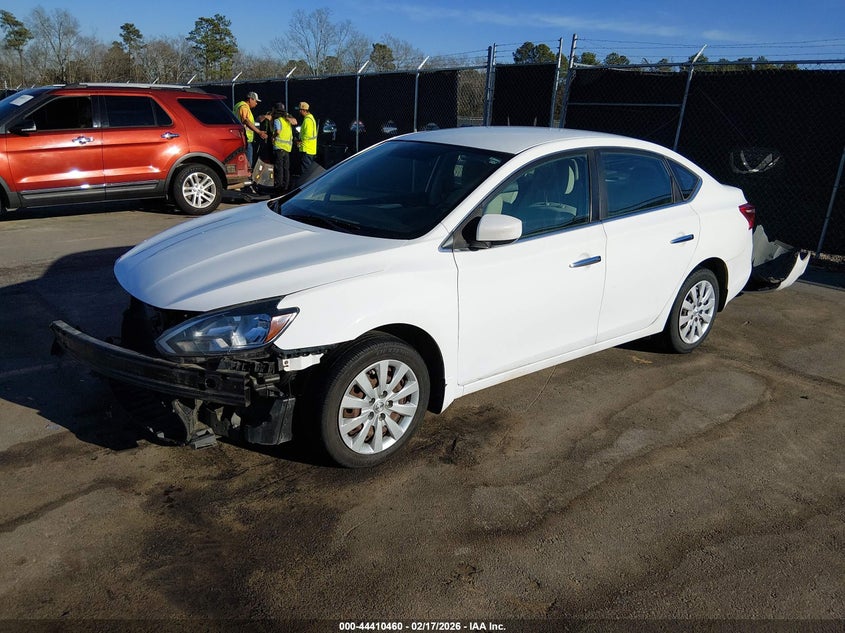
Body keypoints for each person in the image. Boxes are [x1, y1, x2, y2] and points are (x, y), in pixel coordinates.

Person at [234, 91, 268, 169]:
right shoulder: (244, 107)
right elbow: (246, 120)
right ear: (250, 99)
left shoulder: (238, 105)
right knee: (248, 163)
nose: (256, 103)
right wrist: (259, 132)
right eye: (255, 101)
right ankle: (247, 178)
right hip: (245, 140)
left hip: (240, 138)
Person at [272, 103, 297, 193]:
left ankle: (279, 186)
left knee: (279, 168)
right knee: (286, 168)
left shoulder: (277, 120)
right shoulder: (287, 121)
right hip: (287, 148)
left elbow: (278, 131)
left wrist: (273, 136)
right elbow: (295, 122)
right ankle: (286, 186)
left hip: (279, 147)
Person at [296, 101, 318, 175]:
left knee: (305, 171)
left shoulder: (308, 120)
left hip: (306, 149)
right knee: (307, 169)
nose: (299, 112)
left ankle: (306, 185)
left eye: (300, 110)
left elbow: (307, 135)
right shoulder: (310, 118)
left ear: (304, 110)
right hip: (309, 148)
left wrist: (300, 142)